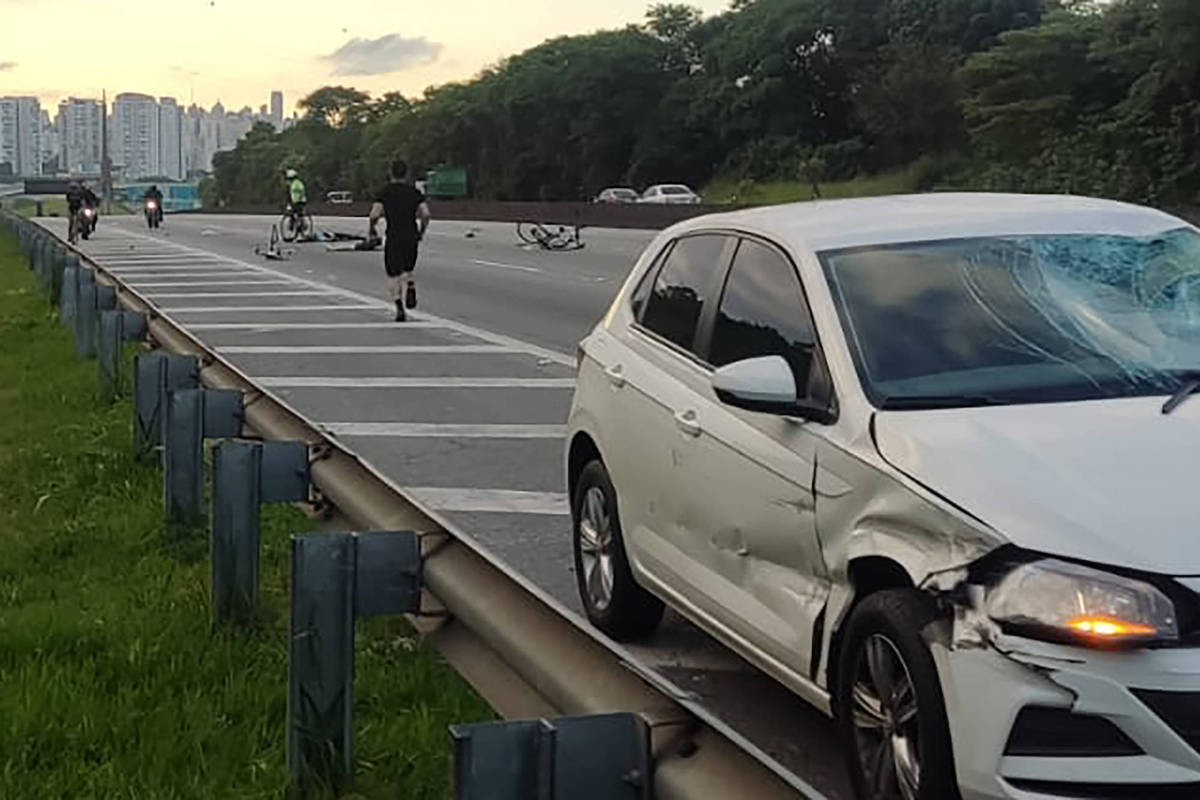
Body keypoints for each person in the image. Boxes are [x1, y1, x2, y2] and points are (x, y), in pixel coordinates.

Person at [369, 159, 431, 322]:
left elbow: (374, 214)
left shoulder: (384, 192)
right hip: (411, 234)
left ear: (391, 173)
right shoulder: (414, 193)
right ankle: (410, 284)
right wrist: (421, 230)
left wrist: (372, 228)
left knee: (393, 273)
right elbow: (425, 214)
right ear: (406, 174)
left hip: (394, 236)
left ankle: (399, 306)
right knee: (408, 267)